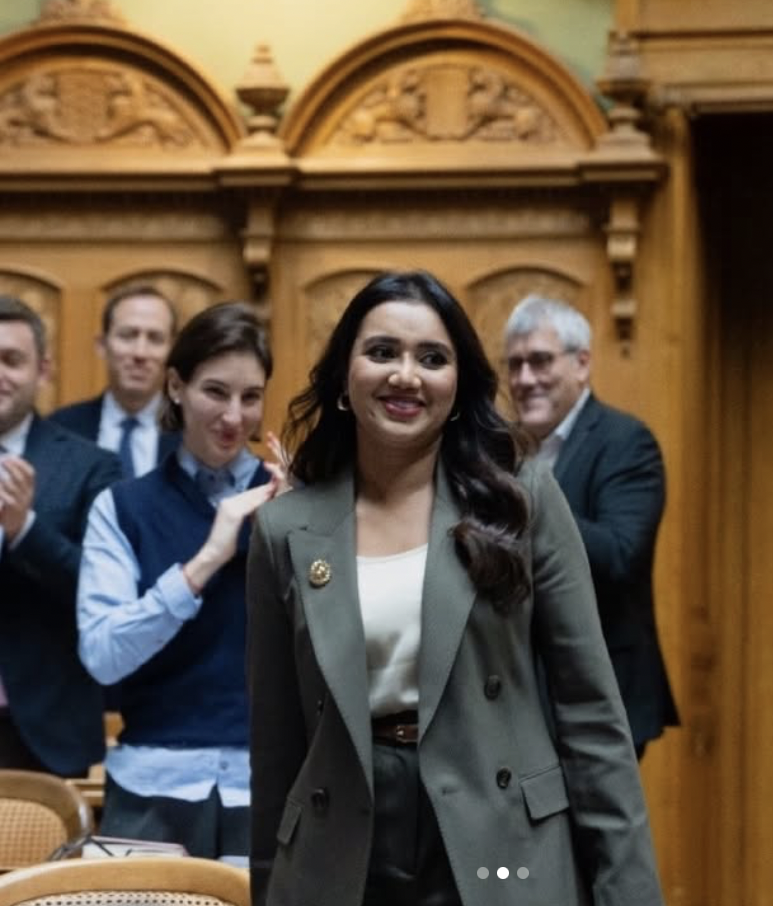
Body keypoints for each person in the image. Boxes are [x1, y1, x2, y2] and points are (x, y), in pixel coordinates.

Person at [247, 271, 663, 906]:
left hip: (501, 842)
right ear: (343, 376)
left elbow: (591, 715)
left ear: (459, 383)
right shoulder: (284, 530)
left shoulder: (521, 498)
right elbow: (276, 745)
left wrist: (629, 894)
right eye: (382, 352)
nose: (406, 376)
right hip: (343, 843)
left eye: (433, 358)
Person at [78, 300, 282, 858]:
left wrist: (302, 541)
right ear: (176, 386)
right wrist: (207, 560)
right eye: (215, 392)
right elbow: (102, 654)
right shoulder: (120, 507)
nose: (235, 417)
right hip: (150, 786)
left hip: (269, 785)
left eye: (251, 397)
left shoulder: (297, 501)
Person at [0, 296, 120, 777]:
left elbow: (102, 591)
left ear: (42, 370)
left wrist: (25, 530)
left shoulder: (90, 466)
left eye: (11, 359)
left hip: (48, 733)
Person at [500, 293, 679, 758]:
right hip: (513, 693)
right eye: (514, 365)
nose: (524, 379)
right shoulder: (500, 451)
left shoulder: (626, 442)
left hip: (600, 692)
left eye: (540, 361)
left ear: (581, 364)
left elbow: (620, 556)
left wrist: (520, 501)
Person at [50, 284, 179, 478]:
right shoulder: (60, 429)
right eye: (127, 336)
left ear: (172, 350)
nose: (140, 353)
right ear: (102, 345)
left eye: (155, 338)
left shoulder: (192, 432)